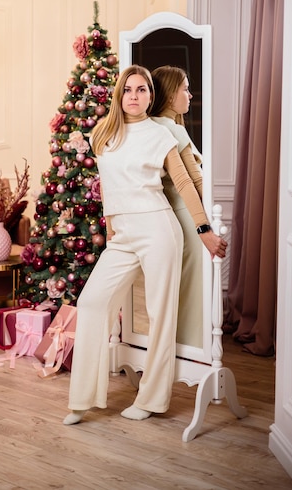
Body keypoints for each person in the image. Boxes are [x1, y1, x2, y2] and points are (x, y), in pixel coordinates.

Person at [63, 65, 227, 426]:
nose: (134, 96)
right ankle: (82, 398)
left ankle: (153, 399)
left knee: (160, 313)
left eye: (142, 90)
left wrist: (204, 231)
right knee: (91, 302)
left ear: (151, 97)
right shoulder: (102, 136)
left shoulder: (160, 135)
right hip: (123, 236)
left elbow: (184, 184)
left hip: (158, 228)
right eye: (129, 89)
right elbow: (109, 189)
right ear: (119, 94)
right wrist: (110, 231)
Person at [150, 64, 208, 348]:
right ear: (171, 94)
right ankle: (191, 347)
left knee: (177, 287)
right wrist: (206, 221)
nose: (190, 95)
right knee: (192, 288)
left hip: (169, 216)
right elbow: (194, 180)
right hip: (187, 216)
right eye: (185, 89)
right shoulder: (170, 128)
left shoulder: (154, 127)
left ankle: (173, 345)